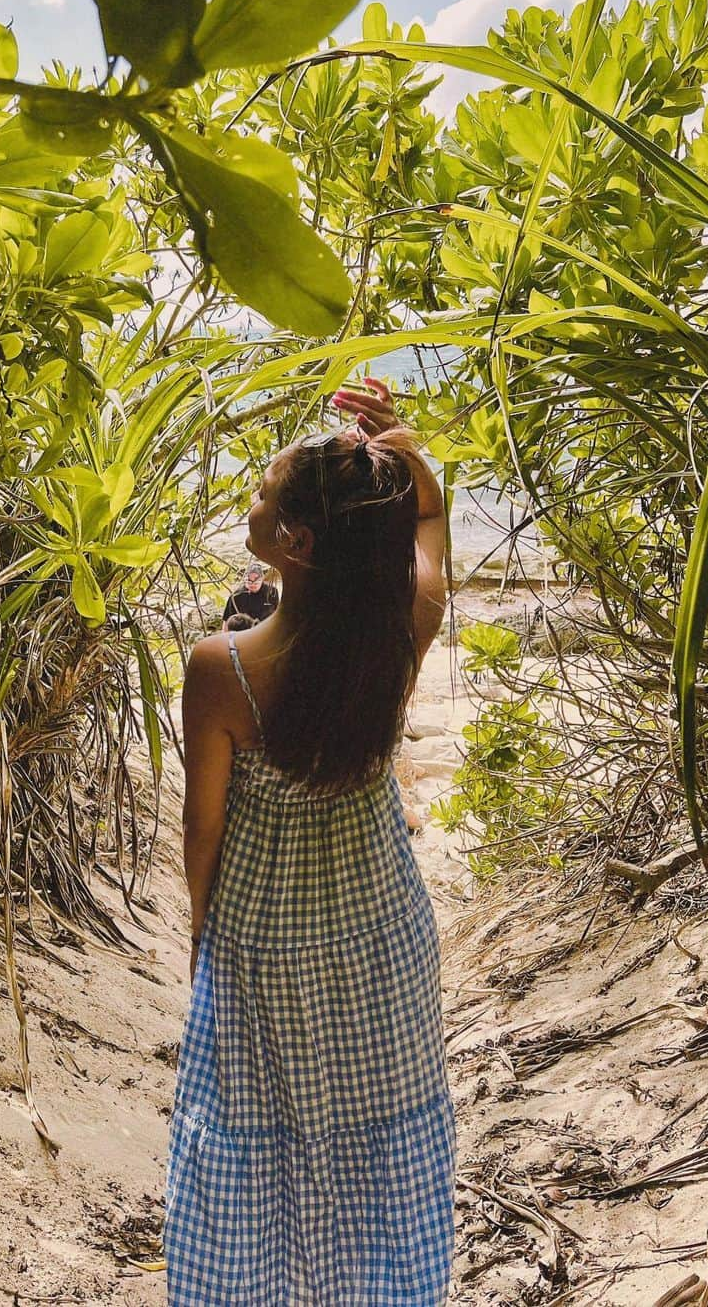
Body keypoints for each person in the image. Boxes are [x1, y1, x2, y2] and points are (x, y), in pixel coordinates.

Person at [165, 377, 455, 1304]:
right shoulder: (397, 635)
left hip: (264, 941)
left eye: (263, 496)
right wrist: (416, 473)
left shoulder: (223, 668)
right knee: (379, 1147)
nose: (251, 505)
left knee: (254, 1145)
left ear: (294, 541)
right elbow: (429, 549)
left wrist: (205, 934)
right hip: (381, 937)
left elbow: (202, 825)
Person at [222, 560, 278, 629]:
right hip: (245, 633)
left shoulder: (272, 592)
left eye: (256, 582)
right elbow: (226, 620)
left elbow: (277, 614)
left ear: (262, 579)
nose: (252, 585)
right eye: (249, 582)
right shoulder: (236, 596)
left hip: (266, 629)